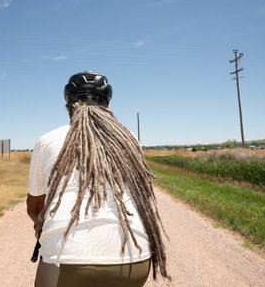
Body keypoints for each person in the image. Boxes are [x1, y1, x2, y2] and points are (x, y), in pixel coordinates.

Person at [27, 71, 168, 287]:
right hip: (134, 260)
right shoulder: (129, 138)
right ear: (107, 107)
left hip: (66, 260)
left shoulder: (47, 140)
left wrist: (41, 224)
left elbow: (34, 207)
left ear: (69, 108)